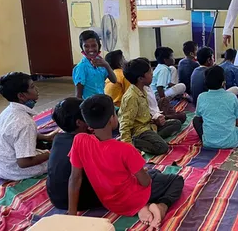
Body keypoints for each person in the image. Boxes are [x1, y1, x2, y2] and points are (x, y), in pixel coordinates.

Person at [68, 94, 184, 230]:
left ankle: (143, 208)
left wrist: (71, 215)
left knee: (154, 172)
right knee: (176, 180)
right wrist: (141, 174)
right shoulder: (125, 149)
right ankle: (161, 206)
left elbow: (75, 179)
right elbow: (145, 182)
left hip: (109, 202)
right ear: (112, 118)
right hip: (132, 197)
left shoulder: (79, 140)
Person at [0, 72, 56, 180]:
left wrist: (45, 137)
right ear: (21, 96)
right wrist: (52, 153)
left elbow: (13, 135)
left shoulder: (9, 110)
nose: (37, 89)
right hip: (13, 171)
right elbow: (23, 162)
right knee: (65, 156)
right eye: (33, 87)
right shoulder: (25, 122)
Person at [47, 98, 101, 210]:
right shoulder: (87, 142)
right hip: (81, 201)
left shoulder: (58, 139)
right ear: (79, 122)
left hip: (56, 199)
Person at [120, 58, 182, 155]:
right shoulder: (131, 97)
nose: (152, 74)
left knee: (176, 123)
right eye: (149, 72)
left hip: (149, 125)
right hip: (139, 132)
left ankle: (154, 138)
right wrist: (128, 146)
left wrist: (155, 120)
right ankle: (135, 142)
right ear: (140, 78)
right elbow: (125, 124)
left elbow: (144, 114)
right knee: (162, 147)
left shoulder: (143, 89)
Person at [193, 66, 238, 148]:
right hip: (231, 141)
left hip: (208, 142)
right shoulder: (232, 97)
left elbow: (199, 118)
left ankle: (211, 137)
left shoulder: (201, 97)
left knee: (195, 120)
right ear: (223, 83)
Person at [73, 30, 117, 99]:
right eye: (86, 46)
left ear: (99, 46)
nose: (91, 49)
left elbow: (114, 80)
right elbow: (79, 95)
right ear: (82, 48)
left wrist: (107, 65)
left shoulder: (102, 64)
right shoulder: (82, 67)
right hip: (89, 105)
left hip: (101, 101)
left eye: (94, 46)